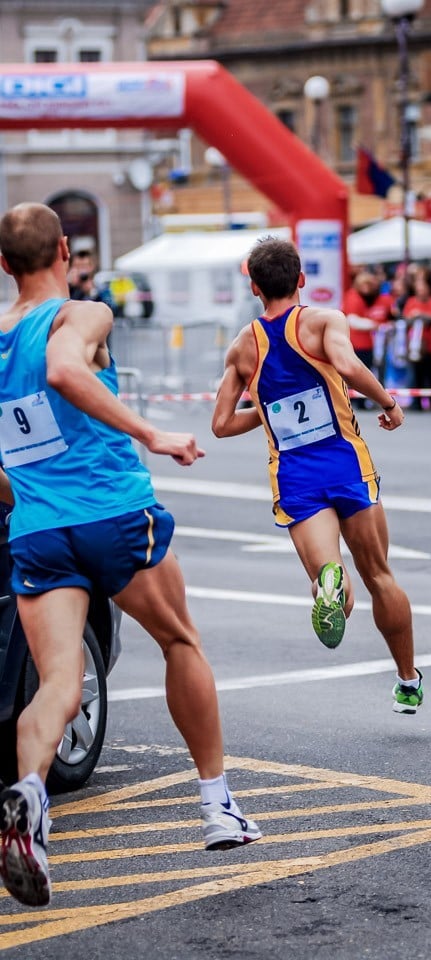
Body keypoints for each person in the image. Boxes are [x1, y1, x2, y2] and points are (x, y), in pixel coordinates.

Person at [0, 203, 260, 909]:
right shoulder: (80, 317)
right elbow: (61, 371)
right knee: (181, 640)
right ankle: (217, 808)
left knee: (59, 680)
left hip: (38, 528)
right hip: (114, 514)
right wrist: (154, 434)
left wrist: (19, 497)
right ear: (63, 249)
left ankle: (29, 796)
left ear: (2, 265)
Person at [212, 238, 423, 717]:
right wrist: (388, 404)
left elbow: (221, 425)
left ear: (254, 287)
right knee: (380, 575)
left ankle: (330, 582)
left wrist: (266, 411)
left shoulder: (244, 346)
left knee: (334, 587)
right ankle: (407, 681)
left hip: (295, 475)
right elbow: (347, 366)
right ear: (301, 279)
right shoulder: (325, 321)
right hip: (345, 463)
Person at [341, 270, 393, 407]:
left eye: (370, 284)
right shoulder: (353, 297)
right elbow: (353, 320)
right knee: (358, 373)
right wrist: (375, 325)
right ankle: (357, 400)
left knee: (368, 372)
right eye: (364, 284)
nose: (367, 287)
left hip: (371, 344)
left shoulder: (373, 298)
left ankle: (364, 400)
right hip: (357, 343)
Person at [403, 266, 431, 411]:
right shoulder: (411, 301)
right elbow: (407, 318)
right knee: (414, 374)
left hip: (429, 344)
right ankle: (416, 403)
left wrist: (419, 315)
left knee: (429, 374)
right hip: (414, 344)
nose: (421, 291)